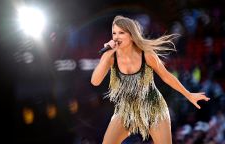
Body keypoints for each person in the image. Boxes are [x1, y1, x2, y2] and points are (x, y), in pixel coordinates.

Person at [90, 15, 210, 144]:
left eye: (121, 33)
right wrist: (106, 56)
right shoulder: (112, 57)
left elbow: (167, 77)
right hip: (126, 109)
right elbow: (95, 81)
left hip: (153, 108)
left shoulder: (146, 54)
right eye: (114, 33)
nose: (116, 37)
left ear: (131, 35)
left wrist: (188, 94)